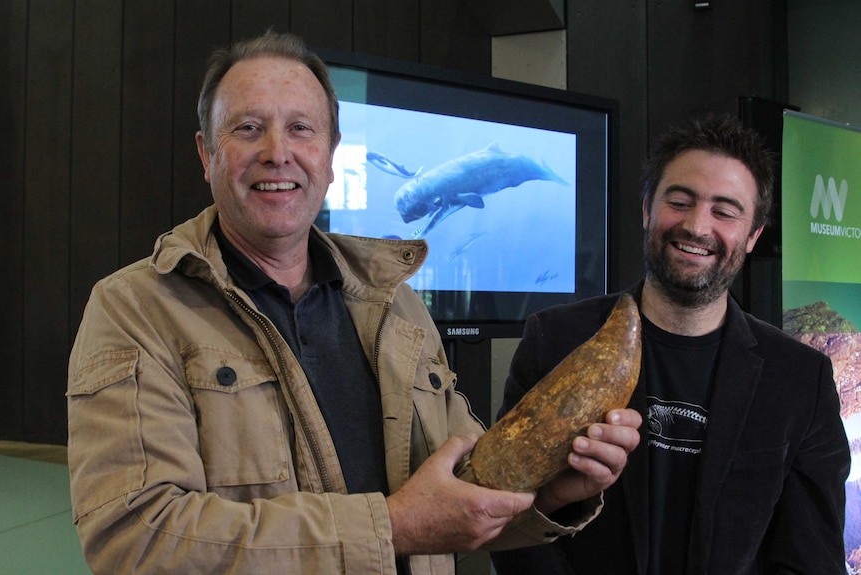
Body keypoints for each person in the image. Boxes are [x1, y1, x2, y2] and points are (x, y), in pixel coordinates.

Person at [66, 31, 641, 574]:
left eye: (301, 129)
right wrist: (392, 527)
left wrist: (555, 492)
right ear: (206, 153)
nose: (277, 152)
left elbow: (468, 490)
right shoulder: (134, 310)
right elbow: (135, 539)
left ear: (331, 152)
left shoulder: (399, 307)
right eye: (247, 128)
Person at [490, 114, 850, 574]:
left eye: (725, 211)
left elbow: (811, 558)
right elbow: (511, 524)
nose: (697, 227)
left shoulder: (801, 378)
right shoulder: (555, 340)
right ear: (646, 209)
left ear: (753, 235)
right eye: (679, 201)